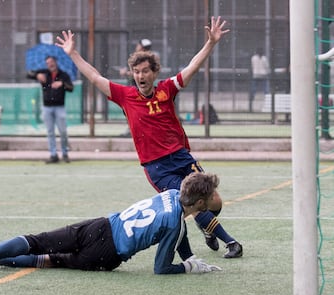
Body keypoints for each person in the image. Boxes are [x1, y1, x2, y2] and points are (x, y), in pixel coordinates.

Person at [55, 16, 243, 258]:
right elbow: (94, 77)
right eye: (136, 71)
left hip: (182, 157)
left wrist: (211, 43)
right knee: (187, 203)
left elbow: (192, 67)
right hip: (157, 167)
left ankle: (207, 230)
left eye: (145, 71)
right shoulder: (125, 96)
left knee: (213, 201)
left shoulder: (167, 89)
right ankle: (231, 243)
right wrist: (73, 53)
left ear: (155, 73)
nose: (140, 76)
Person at [0, 172, 222, 275]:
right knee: (48, 260)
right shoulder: (175, 223)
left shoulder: (171, 194)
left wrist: (189, 254)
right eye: (209, 196)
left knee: (38, 240)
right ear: (199, 203)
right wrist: (186, 267)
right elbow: (160, 268)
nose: (214, 198)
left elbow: (180, 235)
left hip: (100, 225)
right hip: (107, 253)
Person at [30, 55, 74, 163]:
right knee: (50, 132)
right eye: (48, 62)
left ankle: (65, 153)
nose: (50, 64)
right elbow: (29, 74)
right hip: (47, 107)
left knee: (63, 131)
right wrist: (37, 75)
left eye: (52, 61)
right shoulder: (44, 73)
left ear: (56, 62)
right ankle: (53, 154)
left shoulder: (63, 75)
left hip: (60, 107)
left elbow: (71, 88)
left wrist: (62, 84)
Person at [119, 38, 153, 137]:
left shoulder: (146, 59)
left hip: (141, 90)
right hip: (137, 89)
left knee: (138, 109)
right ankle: (135, 130)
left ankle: (136, 130)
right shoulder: (140, 58)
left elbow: (139, 73)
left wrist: (126, 73)